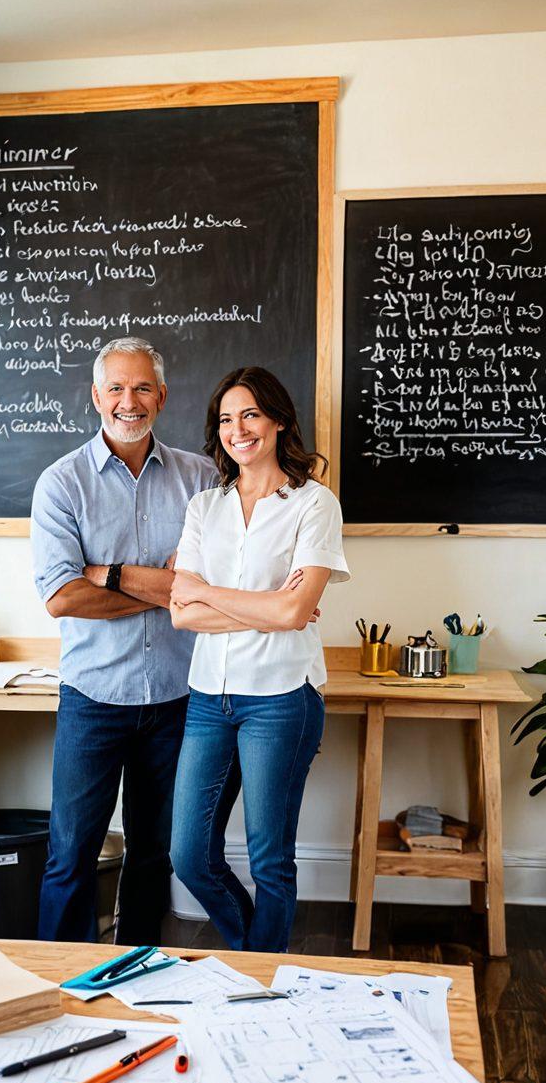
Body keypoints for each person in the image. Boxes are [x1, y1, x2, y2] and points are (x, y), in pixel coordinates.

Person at [31, 337, 217, 945]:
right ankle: (59, 987)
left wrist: (106, 573)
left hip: (177, 698)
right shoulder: (61, 484)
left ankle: (135, 973)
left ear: (162, 397)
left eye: (141, 388)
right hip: (93, 698)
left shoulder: (204, 479)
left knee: (153, 854)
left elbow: (212, 585)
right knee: (70, 855)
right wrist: (165, 585)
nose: (128, 401)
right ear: (95, 396)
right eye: (115, 387)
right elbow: (63, 598)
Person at [169, 366, 350, 952]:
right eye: (225, 418)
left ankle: (261, 978)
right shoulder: (204, 507)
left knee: (270, 858)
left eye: (249, 414)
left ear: (277, 420)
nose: (237, 429)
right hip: (208, 698)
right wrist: (269, 604)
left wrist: (211, 593)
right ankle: (256, 957)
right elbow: (180, 614)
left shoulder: (314, 504)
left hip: (281, 698)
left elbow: (295, 615)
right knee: (189, 855)